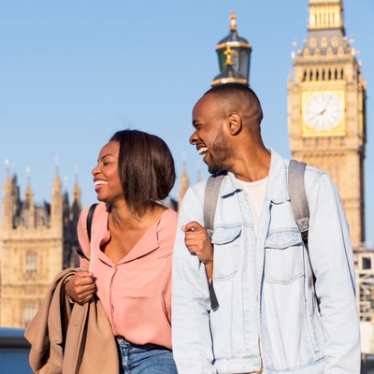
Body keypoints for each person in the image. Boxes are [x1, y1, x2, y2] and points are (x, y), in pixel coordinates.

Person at [172, 84, 360, 374]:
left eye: (199, 126)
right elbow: (189, 307)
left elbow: (338, 296)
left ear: (233, 124)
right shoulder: (200, 200)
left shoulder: (309, 188)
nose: (192, 137)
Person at [65, 129, 178, 374]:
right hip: (98, 352)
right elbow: (81, 276)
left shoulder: (175, 229)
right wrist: (73, 289)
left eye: (106, 163)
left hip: (156, 357)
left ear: (135, 167)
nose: (95, 170)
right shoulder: (91, 220)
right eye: (97, 163)